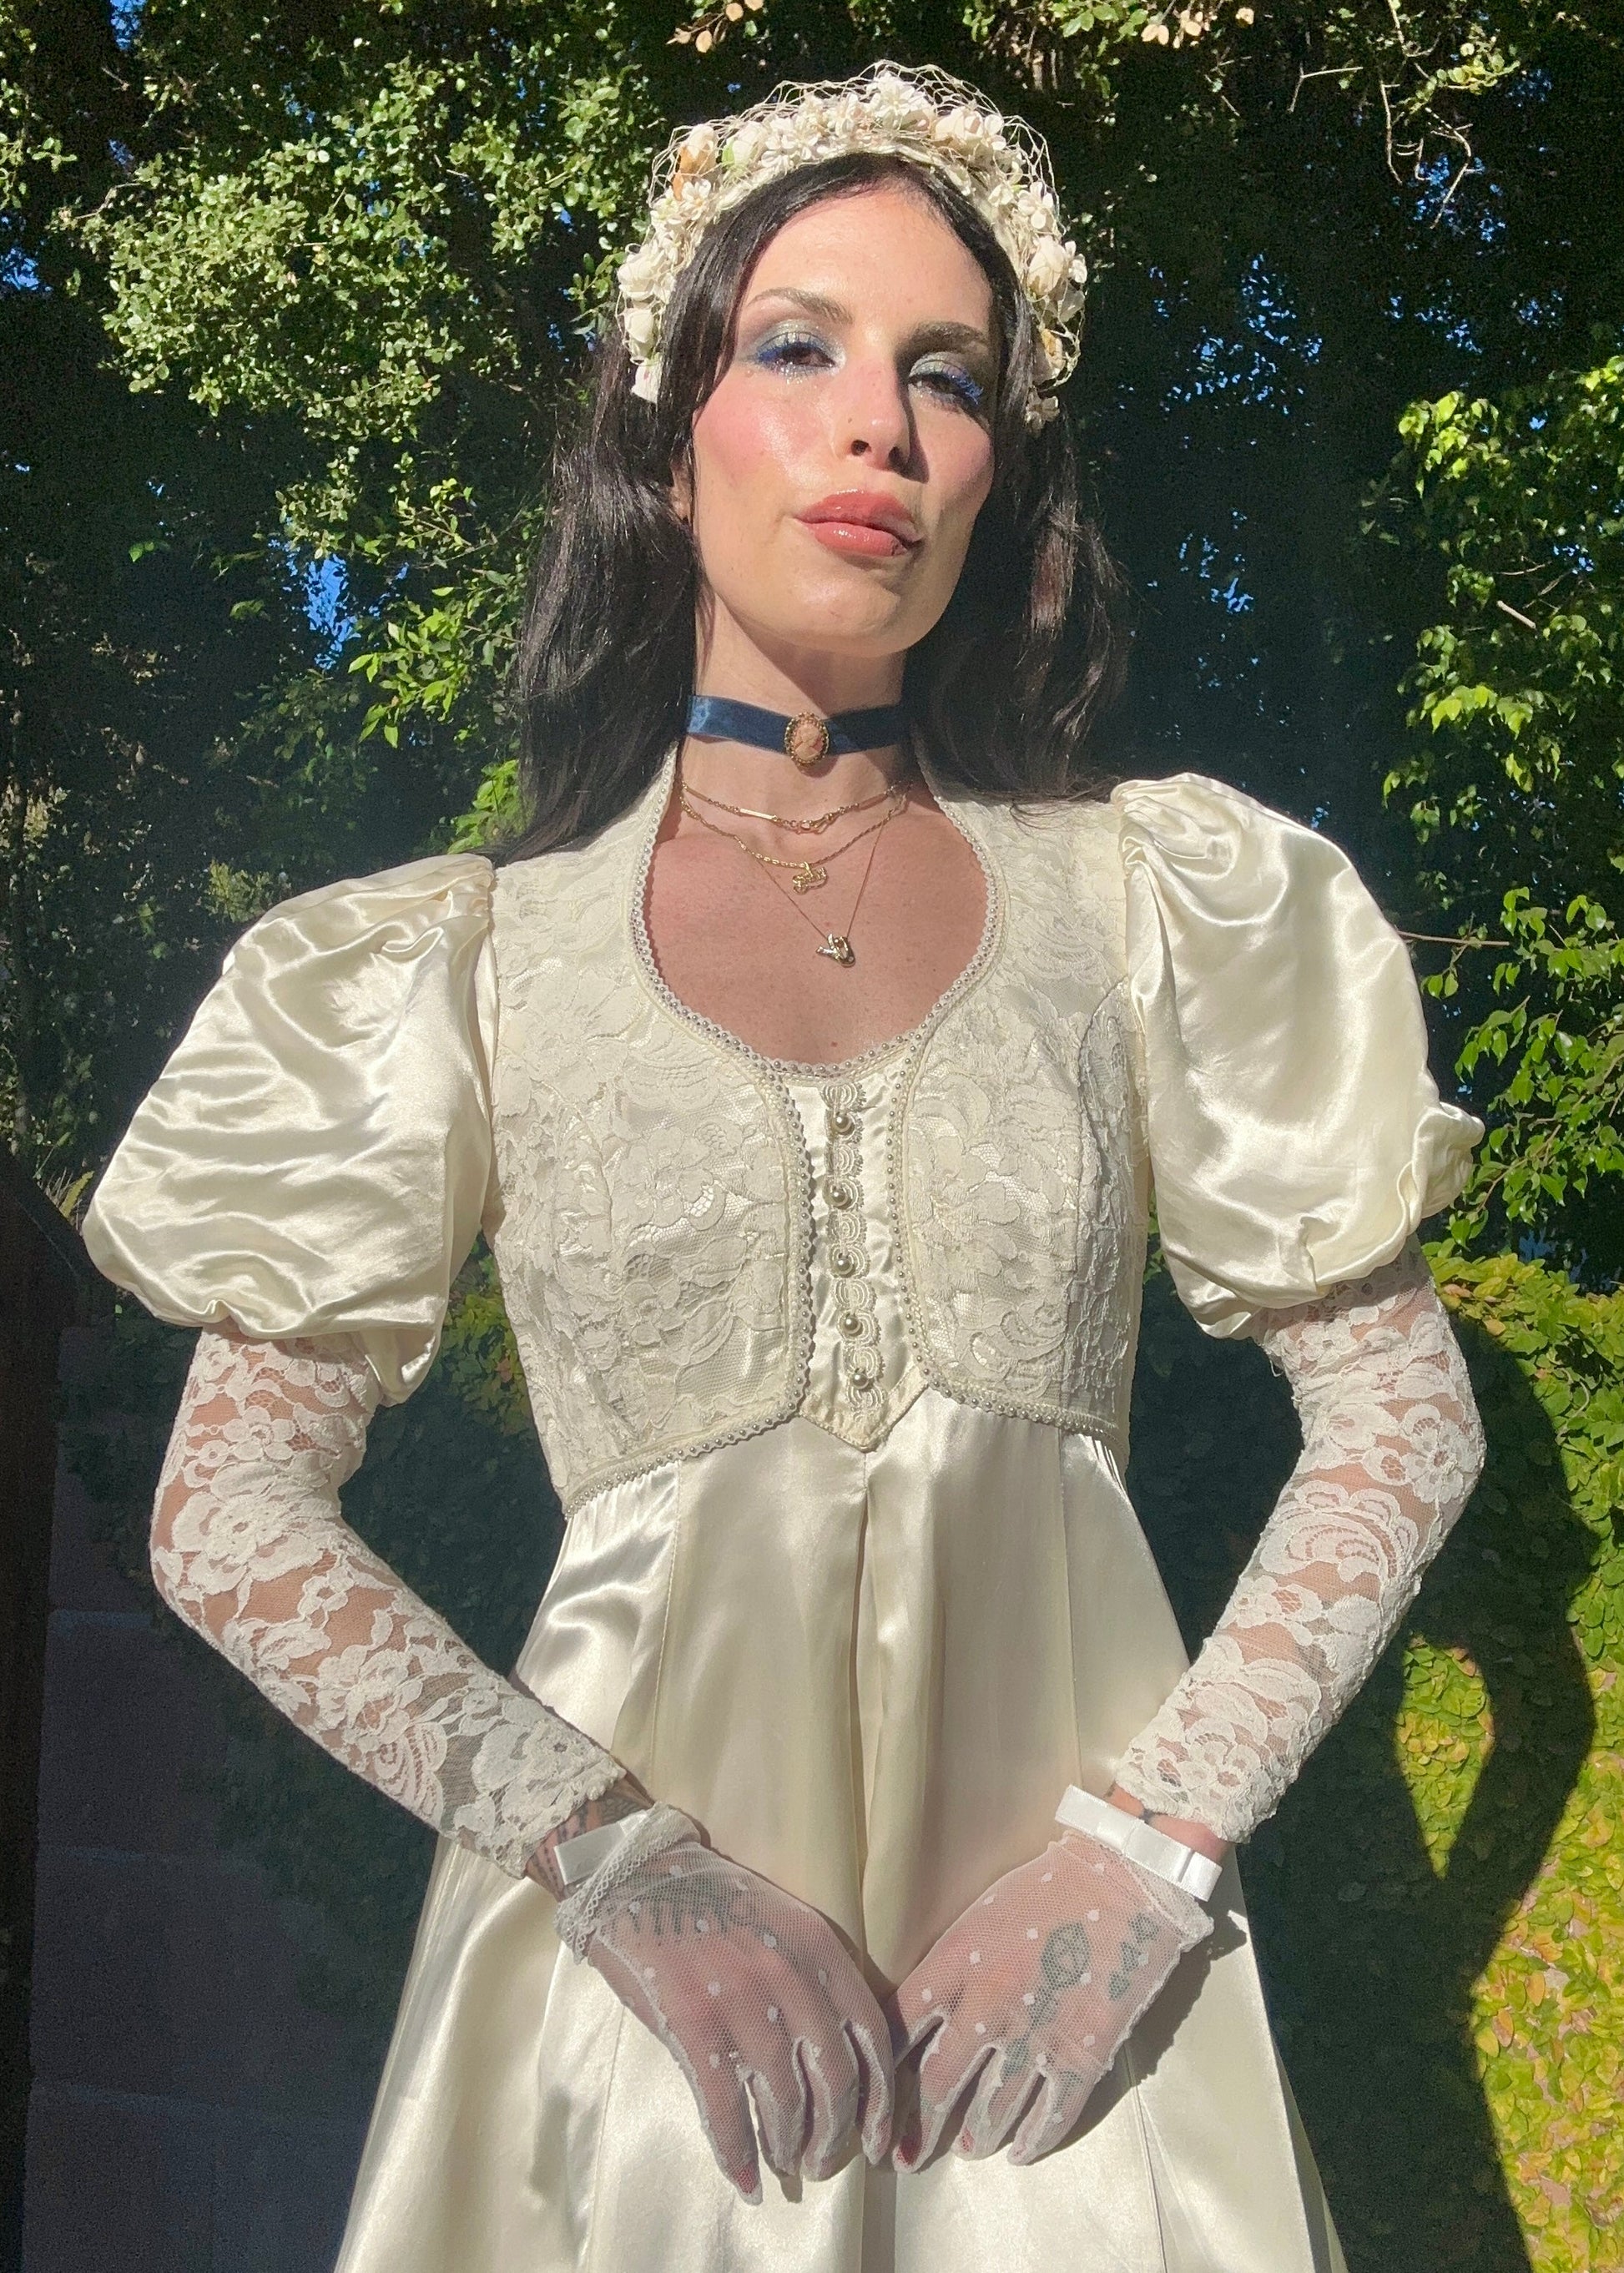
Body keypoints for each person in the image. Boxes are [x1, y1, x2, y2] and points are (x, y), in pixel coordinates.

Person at [82, 62, 1488, 2273]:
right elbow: (226, 1506)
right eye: (800, 346)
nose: (881, 430)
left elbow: (1402, 1414)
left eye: (951, 376)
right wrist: (610, 1855)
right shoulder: (454, 965)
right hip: (648, 2027)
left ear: (1001, 466)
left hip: (1068, 2015)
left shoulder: (1154, 907)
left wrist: (1149, 1848)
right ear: (667, 429)